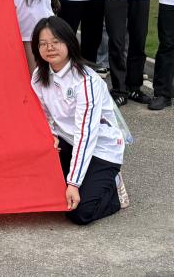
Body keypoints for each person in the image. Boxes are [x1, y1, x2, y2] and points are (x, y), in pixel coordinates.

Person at [30, 17, 128, 225]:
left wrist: (73, 184)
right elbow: (43, 115)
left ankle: (114, 188)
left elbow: (86, 135)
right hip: (67, 141)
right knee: (44, 193)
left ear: (69, 42)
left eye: (55, 41)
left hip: (100, 148)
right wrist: (51, 135)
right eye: (43, 43)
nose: (49, 48)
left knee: (79, 212)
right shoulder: (39, 75)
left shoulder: (86, 80)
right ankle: (79, 177)